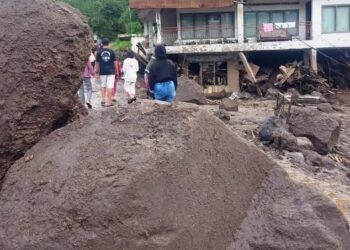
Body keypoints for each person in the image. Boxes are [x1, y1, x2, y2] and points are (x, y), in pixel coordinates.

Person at [95, 38, 118, 107]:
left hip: (102, 71)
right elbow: (115, 62)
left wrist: (97, 72)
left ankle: (103, 100)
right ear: (109, 43)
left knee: (103, 85)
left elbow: (97, 63)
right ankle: (109, 102)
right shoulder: (112, 52)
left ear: (102, 44)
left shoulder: (99, 52)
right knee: (110, 86)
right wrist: (116, 71)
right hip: (111, 71)